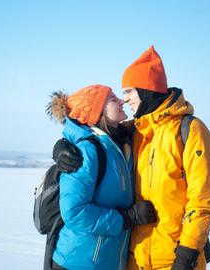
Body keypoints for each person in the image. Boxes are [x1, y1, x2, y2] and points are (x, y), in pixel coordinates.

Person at [56, 47, 210, 270]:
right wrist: (62, 147)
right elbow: (90, 129)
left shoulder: (190, 131)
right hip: (135, 260)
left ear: (146, 90)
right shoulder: (136, 132)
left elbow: (203, 201)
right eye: (120, 94)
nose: (124, 100)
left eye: (128, 91)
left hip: (174, 260)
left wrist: (188, 252)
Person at [46, 84, 157, 270]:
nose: (122, 100)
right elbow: (74, 212)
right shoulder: (87, 150)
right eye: (113, 99)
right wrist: (127, 218)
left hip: (106, 261)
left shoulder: (121, 142)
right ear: (97, 113)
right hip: (78, 263)